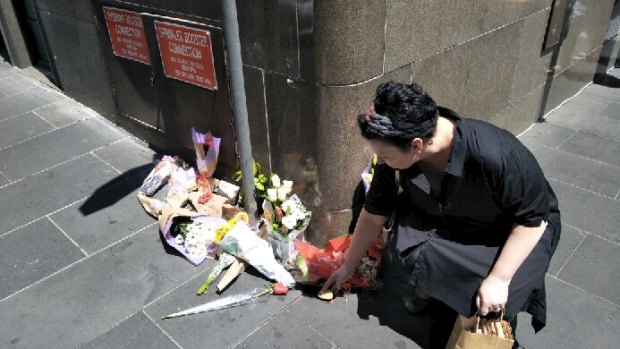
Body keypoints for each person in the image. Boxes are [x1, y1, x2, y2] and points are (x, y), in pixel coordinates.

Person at [320, 81, 561, 348]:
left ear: (416, 145)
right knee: (409, 236)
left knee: (489, 296)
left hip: (516, 230)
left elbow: (533, 220)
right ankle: (431, 285)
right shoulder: (397, 154)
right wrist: (348, 265)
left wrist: (498, 279)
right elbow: (373, 212)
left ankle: (469, 294)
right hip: (453, 217)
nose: (381, 160)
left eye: (385, 155)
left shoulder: (495, 153)